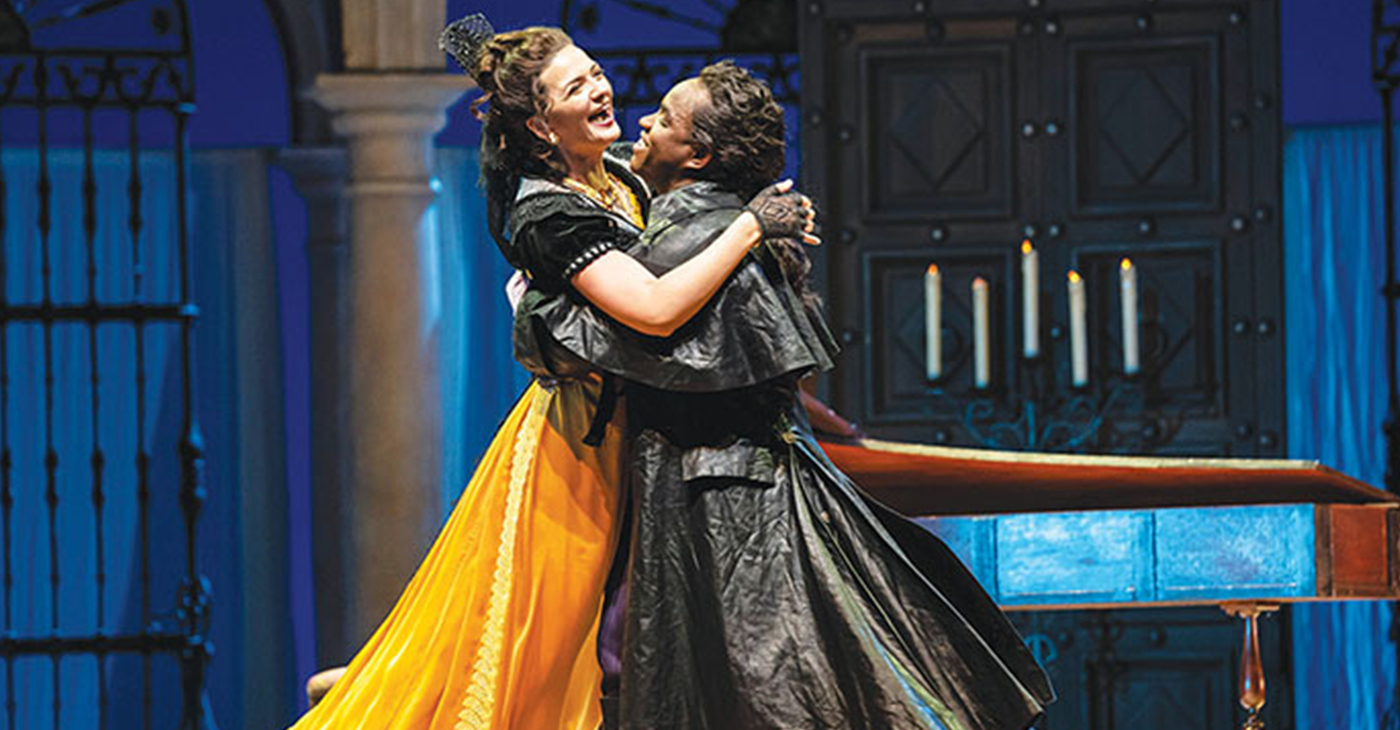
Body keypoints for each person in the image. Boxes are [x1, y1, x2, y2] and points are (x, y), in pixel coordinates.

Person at [287, 16, 816, 730]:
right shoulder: (550, 213)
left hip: (640, 436)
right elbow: (655, 309)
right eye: (577, 86)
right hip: (580, 452)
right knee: (536, 653)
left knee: (576, 645)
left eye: (594, 71)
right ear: (541, 127)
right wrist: (751, 225)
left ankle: (374, 684)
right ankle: (372, 699)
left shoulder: (612, 173)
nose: (602, 89)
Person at [514, 62, 1056, 730]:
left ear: (699, 155)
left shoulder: (688, 240)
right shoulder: (707, 225)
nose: (642, 123)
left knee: (747, 681)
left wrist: (535, 298)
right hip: (754, 489)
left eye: (662, 117)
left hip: (721, 503)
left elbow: (609, 328)